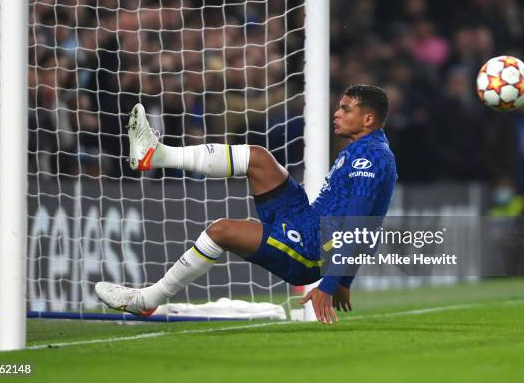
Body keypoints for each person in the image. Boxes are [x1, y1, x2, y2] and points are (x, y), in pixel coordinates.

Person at [96, 85, 398, 324]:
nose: (337, 113)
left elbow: (360, 226)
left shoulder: (369, 158)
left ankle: (147, 299)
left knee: (221, 231)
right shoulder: (363, 149)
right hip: (306, 219)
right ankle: (156, 155)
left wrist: (330, 285)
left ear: (368, 119)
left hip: (311, 250)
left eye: (346, 109)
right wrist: (346, 279)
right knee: (259, 158)